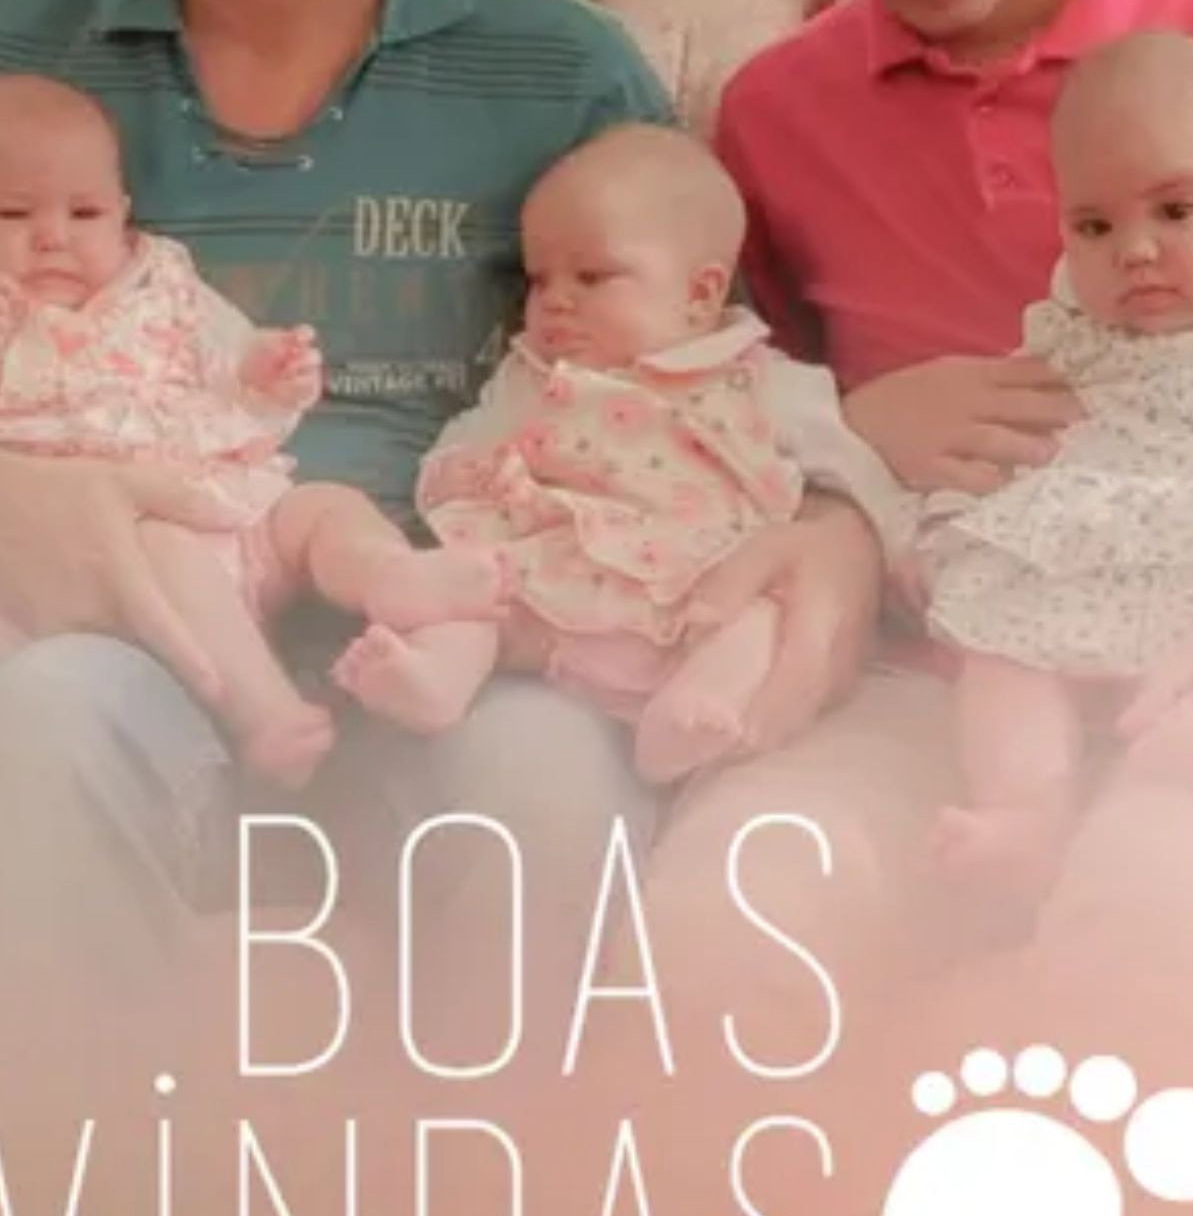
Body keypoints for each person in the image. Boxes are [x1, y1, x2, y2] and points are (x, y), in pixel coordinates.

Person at [0, 0, 873, 1035]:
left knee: (543, 786)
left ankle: (500, 1178)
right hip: (128, 614)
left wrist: (839, 529)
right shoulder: (3, 43)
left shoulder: (561, 70)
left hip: (467, 617)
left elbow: (718, 367)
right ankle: (59, 1173)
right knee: (45, 726)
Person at [0, 72, 506, 784]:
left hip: (225, 517)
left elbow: (223, 355)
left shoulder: (157, 281)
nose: (52, 238)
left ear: (123, 214)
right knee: (161, 546)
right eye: (12, 214)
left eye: (86, 212)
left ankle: (392, 581)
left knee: (324, 508)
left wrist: (263, 371)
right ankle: (265, 714)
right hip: (96, 563)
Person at [848, 31, 1193, 876]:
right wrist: (949, 515)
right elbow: (1008, 427)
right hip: (1090, 555)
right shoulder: (1073, 330)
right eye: (1094, 226)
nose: (1133, 251)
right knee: (1003, 661)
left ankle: (1187, 769)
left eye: (1176, 212)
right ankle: (1026, 810)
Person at [348, 124, 884, 781]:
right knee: (470, 589)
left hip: (689, 600)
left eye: (592, 276)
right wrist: (463, 470)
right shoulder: (531, 378)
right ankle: (437, 679)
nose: (554, 302)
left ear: (700, 294)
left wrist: (884, 544)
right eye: (539, 280)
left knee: (761, 618)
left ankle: (693, 712)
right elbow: (464, 439)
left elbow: (854, 476)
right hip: (543, 586)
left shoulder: (761, 381)